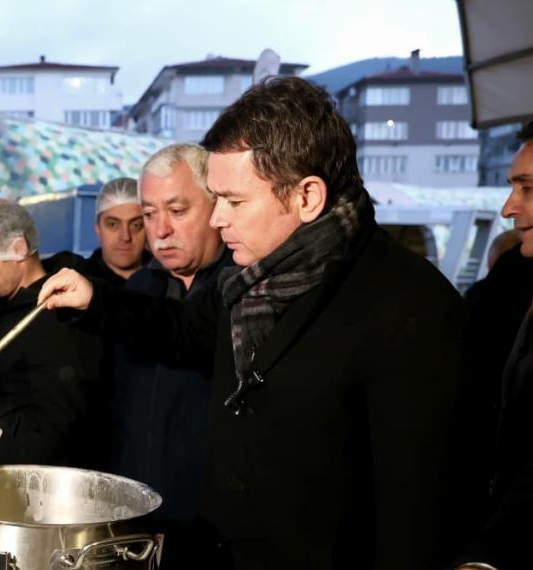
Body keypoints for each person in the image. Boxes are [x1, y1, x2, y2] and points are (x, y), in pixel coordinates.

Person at [39, 77, 473, 569]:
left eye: (234, 201)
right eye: (215, 198)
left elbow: (418, 513)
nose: (218, 219)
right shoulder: (246, 284)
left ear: (307, 196)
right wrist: (96, 299)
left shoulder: (413, 309)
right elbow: (179, 331)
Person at [109, 143, 235, 569]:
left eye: (177, 211)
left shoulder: (241, 293)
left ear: (217, 207)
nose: (159, 230)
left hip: (212, 530)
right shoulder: (137, 292)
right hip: (134, 519)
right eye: (149, 214)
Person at [0, 198, 100, 466]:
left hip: (23, 481)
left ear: (18, 249)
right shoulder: (2, 303)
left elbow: (59, 429)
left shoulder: (55, 316)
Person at [456, 121, 533, 570]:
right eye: (512, 188)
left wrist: (485, 557)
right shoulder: (513, 280)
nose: (508, 208)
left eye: (527, 188)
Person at [85, 177, 147, 285]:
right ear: (98, 228)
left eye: (136, 225)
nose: (125, 237)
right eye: (113, 225)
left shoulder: (170, 280)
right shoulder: (81, 282)